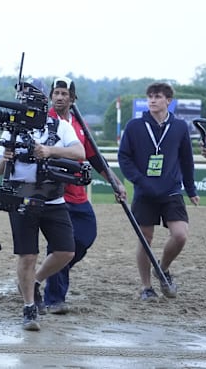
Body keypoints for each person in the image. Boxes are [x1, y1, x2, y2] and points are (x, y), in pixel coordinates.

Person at [0, 79, 85, 331]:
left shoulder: (60, 126)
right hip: (20, 198)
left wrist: (50, 151)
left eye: (30, 96)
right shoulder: (10, 128)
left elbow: (79, 153)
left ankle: (34, 281)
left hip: (53, 199)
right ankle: (29, 308)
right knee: (28, 254)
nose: (25, 101)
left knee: (66, 251)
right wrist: (6, 158)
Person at [43, 77, 127, 314]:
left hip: (78, 194)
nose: (59, 97)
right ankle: (54, 299)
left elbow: (94, 157)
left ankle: (52, 269)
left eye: (64, 94)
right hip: (55, 194)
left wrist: (115, 181)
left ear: (72, 98)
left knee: (86, 236)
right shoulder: (45, 120)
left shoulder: (79, 123)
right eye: (56, 93)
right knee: (61, 245)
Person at [118, 82, 200, 301]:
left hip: (172, 190)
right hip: (145, 192)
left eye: (157, 96)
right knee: (145, 240)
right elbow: (124, 157)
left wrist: (190, 189)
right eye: (150, 97)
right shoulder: (135, 126)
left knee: (180, 235)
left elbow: (186, 160)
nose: (153, 100)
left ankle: (162, 268)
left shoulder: (180, 126)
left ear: (168, 101)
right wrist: (139, 180)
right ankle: (146, 287)